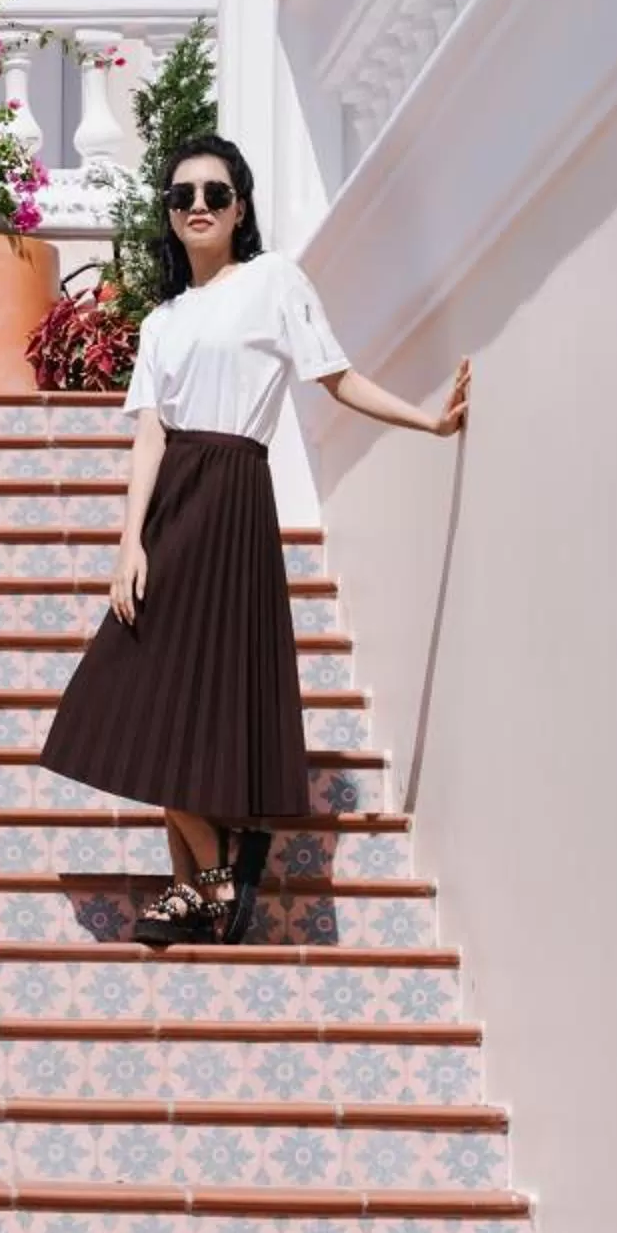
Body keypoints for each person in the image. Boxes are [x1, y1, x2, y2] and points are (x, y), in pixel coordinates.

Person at [38, 134, 469, 945]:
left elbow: (337, 376)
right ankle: (213, 876)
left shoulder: (274, 282)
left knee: (184, 700)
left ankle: (195, 888)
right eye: (182, 196)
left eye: (215, 193)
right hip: (172, 503)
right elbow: (149, 437)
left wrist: (428, 421)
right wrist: (129, 544)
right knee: (140, 696)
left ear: (240, 208)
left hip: (234, 497)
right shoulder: (163, 320)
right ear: (169, 215)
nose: (198, 206)